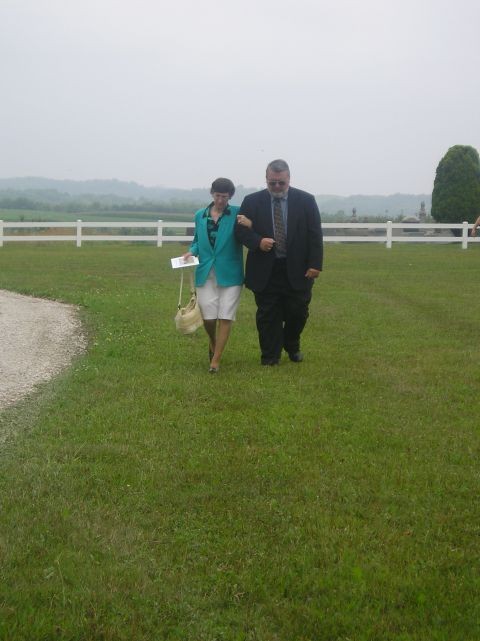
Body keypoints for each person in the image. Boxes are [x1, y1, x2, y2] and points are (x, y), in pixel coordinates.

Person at [235, 159, 323, 366]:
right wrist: (258, 241)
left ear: (288, 179)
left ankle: (292, 343)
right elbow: (240, 231)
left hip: (299, 269)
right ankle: (270, 356)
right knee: (268, 314)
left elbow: (315, 235)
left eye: (280, 183)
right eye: (272, 182)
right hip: (266, 269)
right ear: (266, 179)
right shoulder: (251, 201)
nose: (276, 187)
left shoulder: (306, 201)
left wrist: (315, 264)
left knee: (298, 312)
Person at [183, 177, 251, 373]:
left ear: (230, 196)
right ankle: (213, 342)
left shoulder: (238, 214)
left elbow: (251, 233)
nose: (221, 200)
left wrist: (250, 223)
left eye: (225, 196)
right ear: (212, 193)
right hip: (205, 272)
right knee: (208, 317)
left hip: (231, 273)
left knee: (226, 315)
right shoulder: (200, 215)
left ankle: (216, 359)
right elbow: (197, 240)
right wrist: (191, 251)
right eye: (218, 195)